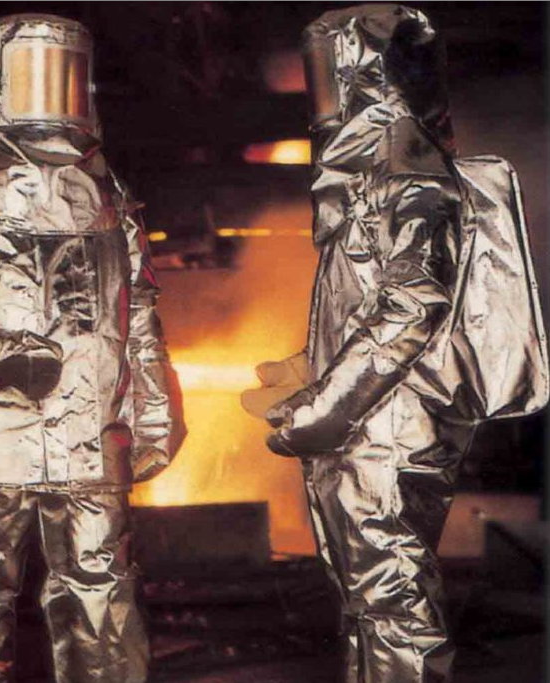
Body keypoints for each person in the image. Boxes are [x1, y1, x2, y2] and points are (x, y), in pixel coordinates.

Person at [242, 4, 548, 682]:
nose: (322, 102)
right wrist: (311, 366)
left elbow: (412, 306)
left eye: (329, 75)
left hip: (385, 430)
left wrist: (327, 407)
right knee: (370, 603)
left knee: (391, 601)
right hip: (376, 424)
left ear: (367, 76)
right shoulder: (381, 177)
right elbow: (380, 305)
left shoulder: (402, 175)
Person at [0, 14, 185, 683]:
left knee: (103, 611)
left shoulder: (107, 191)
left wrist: (157, 405)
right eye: (33, 69)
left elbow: (137, 309)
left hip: (90, 439)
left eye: (65, 71)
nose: (51, 90)